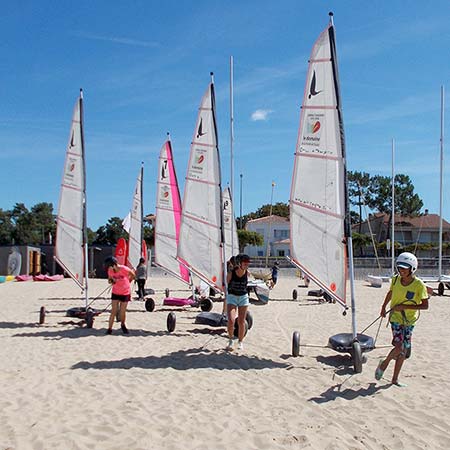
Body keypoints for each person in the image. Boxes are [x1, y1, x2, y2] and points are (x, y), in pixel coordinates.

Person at [375, 252, 429, 387]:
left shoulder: (419, 285)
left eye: (405, 268)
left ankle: (394, 379)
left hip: (409, 321)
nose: (401, 270)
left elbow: (425, 305)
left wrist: (404, 306)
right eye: (400, 267)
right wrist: (383, 307)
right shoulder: (395, 279)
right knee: (399, 346)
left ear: (412, 268)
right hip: (395, 318)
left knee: (403, 351)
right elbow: (390, 292)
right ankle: (385, 363)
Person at [104, 256, 135, 335]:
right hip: (115, 292)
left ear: (114, 265)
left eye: (109, 266)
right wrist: (112, 281)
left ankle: (123, 325)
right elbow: (109, 279)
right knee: (113, 311)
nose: (109, 268)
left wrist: (128, 282)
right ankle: (109, 328)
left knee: (122, 311)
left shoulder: (124, 269)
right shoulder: (110, 271)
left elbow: (133, 275)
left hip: (125, 292)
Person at [226, 254, 251, 351]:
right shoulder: (231, 273)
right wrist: (229, 271)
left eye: (247, 264)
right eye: (245, 264)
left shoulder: (247, 273)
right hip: (232, 297)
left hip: (243, 298)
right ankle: (231, 340)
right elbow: (227, 282)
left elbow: (250, 277)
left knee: (241, 322)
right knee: (231, 320)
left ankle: (240, 342)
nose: (246, 266)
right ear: (239, 263)